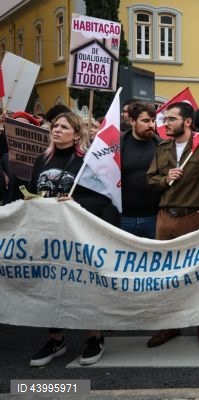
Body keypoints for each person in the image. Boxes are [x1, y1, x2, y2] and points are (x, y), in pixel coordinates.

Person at [27, 111, 119, 367]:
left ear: (76, 134)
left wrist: (76, 202)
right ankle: (56, 339)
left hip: (80, 236)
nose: (57, 130)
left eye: (64, 127)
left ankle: (94, 337)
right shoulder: (41, 160)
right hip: (50, 234)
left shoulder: (87, 163)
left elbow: (104, 200)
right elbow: (33, 191)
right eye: (55, 126)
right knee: (51, 287)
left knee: (85, 285)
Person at [146, 102, 199, 348]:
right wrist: (164, 178)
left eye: (170, 119)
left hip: (195, 218)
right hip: (166, 219)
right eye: (165, 119)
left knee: (198, 273)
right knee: (167, 275)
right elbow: (150, 180)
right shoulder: (162, 148)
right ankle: (170, 324)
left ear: (187, 122)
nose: (165, 123)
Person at [120, 102, 162, 239]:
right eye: (145, 121)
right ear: (132, 121)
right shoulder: (117, 146)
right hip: (122, 218)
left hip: (154, 218)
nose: (151, 125)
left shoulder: (163, 147)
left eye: (153, 121)